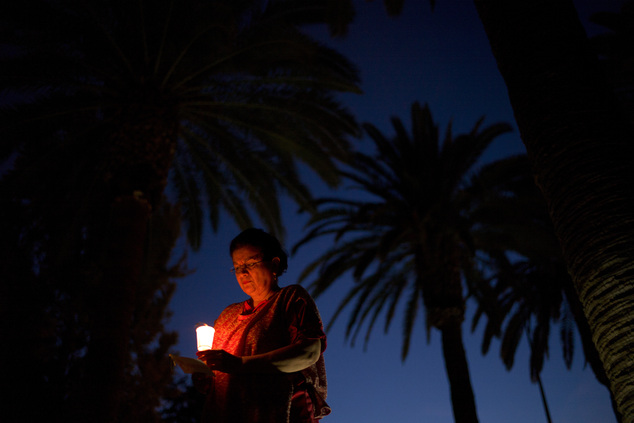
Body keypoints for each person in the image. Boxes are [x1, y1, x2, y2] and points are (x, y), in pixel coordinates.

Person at [194, 228, 330, 423]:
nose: (243, 273)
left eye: (250, 263)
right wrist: (204, 375)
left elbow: (308, 352)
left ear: (274, 264)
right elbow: (218, 377)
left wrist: (240, 364)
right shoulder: (227, 316)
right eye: (237, 267)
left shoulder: (290, 299)